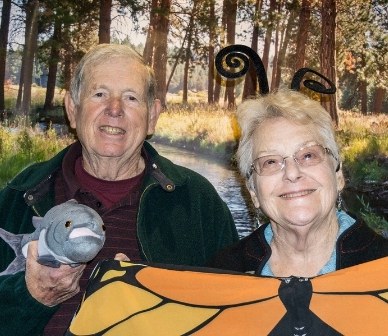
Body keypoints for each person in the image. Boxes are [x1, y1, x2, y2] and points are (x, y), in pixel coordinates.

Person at [0, 44, 238, 335]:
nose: (114, 109)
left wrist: (149, 305)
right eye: (99, 94)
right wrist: (33, 297)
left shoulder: (197, 201)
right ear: (73, 109)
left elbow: (233, 314)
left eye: (131, 97)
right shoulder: (20, 196)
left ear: (153, 115)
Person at [211, 89, 388, 276]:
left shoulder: (382, 267)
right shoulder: (220, 277)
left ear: (338, 175)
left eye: (308, 155)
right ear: (253, 191)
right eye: (270, 162)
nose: (292, 173)